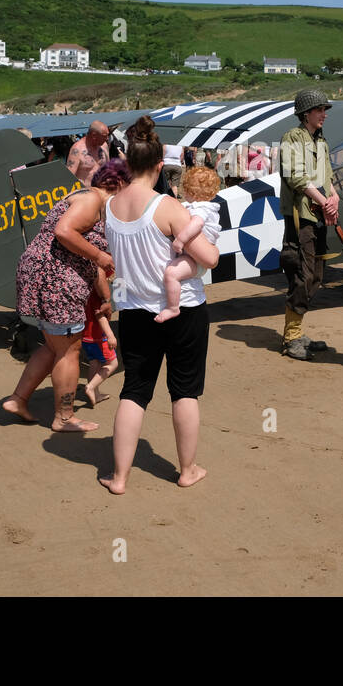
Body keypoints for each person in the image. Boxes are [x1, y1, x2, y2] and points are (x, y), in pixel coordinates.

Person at [99, 118, 218, 494]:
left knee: (134, 391)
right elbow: (209, 259)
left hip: (135, 310)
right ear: (157, 166)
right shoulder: (167, 206)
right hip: (183, 309)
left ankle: (119, 477)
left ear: (128, 163)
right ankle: (187, 469)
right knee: (184, 390)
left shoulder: (111, 207)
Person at [2, 159, 129, 432]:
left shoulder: (84, 198)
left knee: (53, 347)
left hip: (43, 275)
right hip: (58, 280)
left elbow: (87, 260)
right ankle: (64, 417)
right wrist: (100, 255)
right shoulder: (91, 201)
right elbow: (64, 232)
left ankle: (17, 399)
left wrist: (105, 296)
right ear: (118, 185)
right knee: (70, 350)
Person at [279, 90, 337, 361]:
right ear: (306, 114)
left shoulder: (321, 140)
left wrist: (333, 197)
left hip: (318, 215)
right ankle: (291, 337)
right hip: (301, 216)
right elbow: (297, 178)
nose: (324, 114)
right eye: (319, 110)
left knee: (315, 274)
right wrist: (325, 201)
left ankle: (297, 330)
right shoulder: (293, 138)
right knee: (302, 273)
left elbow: (328, 175)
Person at [157, 166, 222, 323]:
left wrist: (181, 240)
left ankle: (173, 308)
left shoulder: (203, 208)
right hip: (194, 257)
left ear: (191, 193)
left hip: (196, 261)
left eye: (185, 190)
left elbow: (197, 224)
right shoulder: (199, 206)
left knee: (171, 274)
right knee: (172, 272)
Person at [81, 281, 120, 407]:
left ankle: (95, 394)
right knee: (113, 363)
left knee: (94, 363)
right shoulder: (97, 295)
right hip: (98, 338)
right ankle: (91, 387)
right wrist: (110, 335)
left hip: (85, 337)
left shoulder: (84, 289)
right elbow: (100, 316)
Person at [66, 121, 110, 187]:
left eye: (107, 135)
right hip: (86, 193)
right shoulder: (77, 149)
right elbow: (69, 178)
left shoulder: (104, 146)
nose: (107, 138)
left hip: (102, 192)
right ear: (94, 135)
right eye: (104, 136)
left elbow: (109, 168)